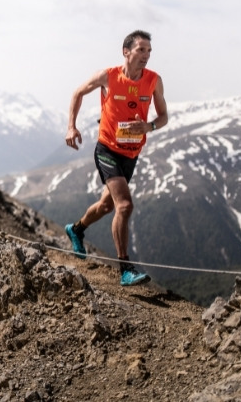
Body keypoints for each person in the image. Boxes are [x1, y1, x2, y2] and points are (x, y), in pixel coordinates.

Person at [64, 30, 168, 286]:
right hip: (108, 149)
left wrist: (149, 127)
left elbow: (163, 116)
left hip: (131, 153)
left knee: (107, 206)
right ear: (126, 51)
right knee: (124, 206)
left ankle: (76, 229)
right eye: (141, 50)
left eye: (149, 51)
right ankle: (125, 269)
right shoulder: (108, 76)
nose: (146, 55)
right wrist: (71, 126)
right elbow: (78, 92)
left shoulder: (154, 80)